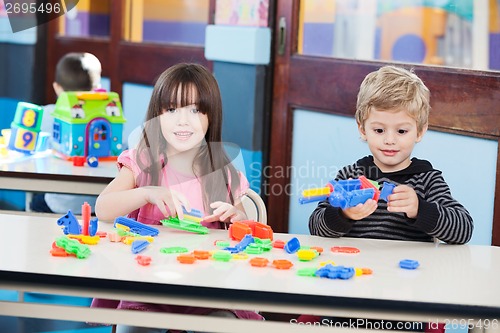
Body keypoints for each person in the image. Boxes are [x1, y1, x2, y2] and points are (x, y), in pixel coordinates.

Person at [91, 63, 263, 333]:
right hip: (147, 290)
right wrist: (146, 192)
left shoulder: (222, 172)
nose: (183, 120)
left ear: (211, 116)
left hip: (206, 291)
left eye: (195, 110)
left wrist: (236, 217)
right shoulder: (143, 160)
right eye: (172, 110)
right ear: (158, 116)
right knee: (133, 327)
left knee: (228, 326)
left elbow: (243, 228)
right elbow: (102, 208)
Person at [304, 65, 473, 331]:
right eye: (379, 130)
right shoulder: (350, 175)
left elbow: (463, 229)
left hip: (405, 299)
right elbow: (316, 225)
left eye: (402, 131)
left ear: (420, 131)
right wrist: (344, 214)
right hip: (349, 297)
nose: (390, 141)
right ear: (363, 129)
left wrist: (420, 209)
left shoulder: (427, 180)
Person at [30, 52, 102, 214]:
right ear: (96, 89)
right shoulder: (104, 120)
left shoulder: (45, 114)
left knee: (36, 202)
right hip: (96, 206)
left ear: (57, 87)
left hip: (57, 204)